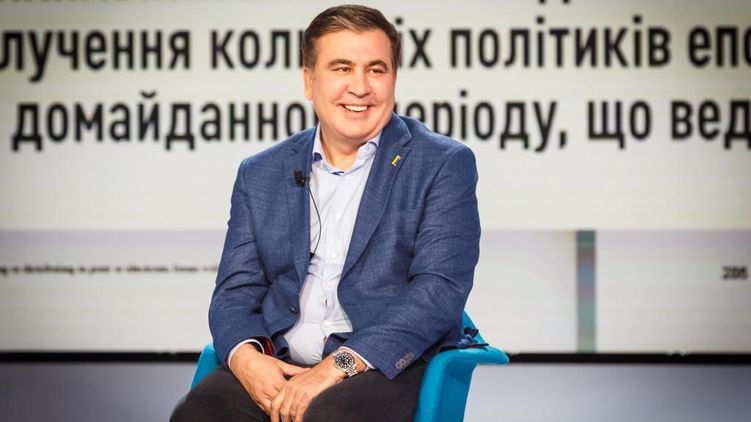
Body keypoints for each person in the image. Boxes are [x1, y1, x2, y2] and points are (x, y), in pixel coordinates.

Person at [172, 5, 480, 422]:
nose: (360, 87)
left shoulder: (441, 164)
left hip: (377, 366)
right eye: (342, 68)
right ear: (309, 81)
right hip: (279, 361)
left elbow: (439, 290)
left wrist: (338, 366)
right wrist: (247, 359)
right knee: (200, 413)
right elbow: (234, 292)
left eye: (376, 69)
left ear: (393, 78)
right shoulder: (260, 173)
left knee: (327, 414)